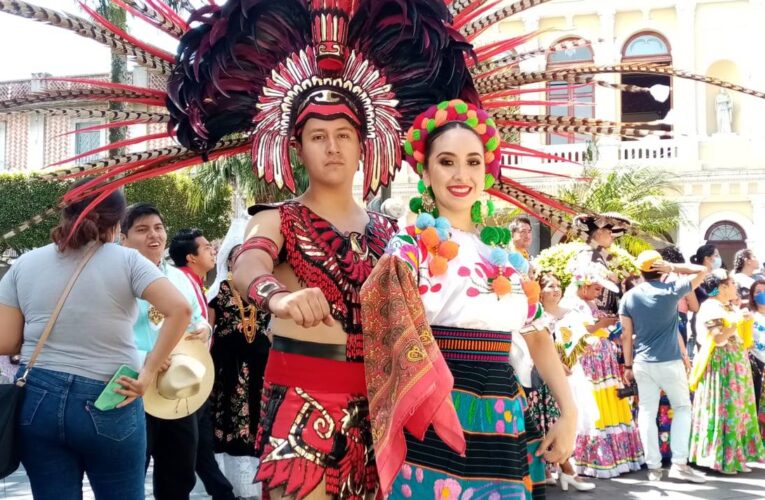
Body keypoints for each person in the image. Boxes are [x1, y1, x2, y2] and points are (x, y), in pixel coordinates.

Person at [362, 100, 577, 499]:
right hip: (434, 410)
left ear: (487, 171)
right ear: (425, 172)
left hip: (501, 412)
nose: (462, 175)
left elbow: (536, 337)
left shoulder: (508, 262)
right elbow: (384, 332)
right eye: (447, 162)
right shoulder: (409, 250)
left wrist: (569, 413)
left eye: (473, 162)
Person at [0, 187, 190, 499]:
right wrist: (147, 374)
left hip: (39, 399)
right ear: (117, 224)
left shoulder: (25, 264)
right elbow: (180, 310)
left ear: (66, 215)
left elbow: (5, 340)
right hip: (110, 396)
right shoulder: (129, 261)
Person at [120, 203, 213, 499]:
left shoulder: (178, 277)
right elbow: (103, 332)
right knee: (129, 473)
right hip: (134, 386)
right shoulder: (115, 276)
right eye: (142, 229)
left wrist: (205, 330)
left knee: (180, 471)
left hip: (177, 387)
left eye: (158, 228)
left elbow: (198, 317)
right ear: (123, 238)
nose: (153, 235)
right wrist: (143, 357)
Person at [620, 250, 708, 483]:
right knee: (682, 407)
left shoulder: (629, 297)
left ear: (640, 271)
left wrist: (627, 365)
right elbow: (702, 270)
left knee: (647, 412)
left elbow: (626, 335)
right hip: (669, 362)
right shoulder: (672, 290)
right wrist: (673, 267)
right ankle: (679, 463)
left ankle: (654, 467)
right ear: (659, 268)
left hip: (641, 363)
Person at [560, 262, 644, 478]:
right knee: (594, 404)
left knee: (606, 401)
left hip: (601, 361)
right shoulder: (570, 303)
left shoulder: (587, 303)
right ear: (584, 285)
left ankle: (616, 456)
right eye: (596, 288)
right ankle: (594, 457)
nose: (599, 293)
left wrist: (606, 328)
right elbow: (574, 332)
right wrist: (601, 325)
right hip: (590, 361)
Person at [169, 229, 236, 500]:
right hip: (180, 375)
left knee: (198, 445)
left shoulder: (196, 282)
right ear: (191, 257)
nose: (213, 251)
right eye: (207, 247)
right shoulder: (178, 281)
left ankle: (223, 492)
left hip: (195, 374)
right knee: (189, 447)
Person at [208, 243, 271, 500]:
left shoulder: (264, 291)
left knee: (259, 415)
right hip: (228, 365)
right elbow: (209, 329)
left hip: (261, 363)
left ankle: (259, 480)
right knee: (231, 419)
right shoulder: (220, 291)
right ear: (230, 264)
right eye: (237, 259)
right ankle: (232, 482)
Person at [688, 269, 764, 474]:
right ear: (721, 288)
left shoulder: (727, 306)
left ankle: (738, 455)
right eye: (732, 284)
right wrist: (738, 321)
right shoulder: (710, 308)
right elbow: (718, 338)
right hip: (721, 363)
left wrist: (741, 320)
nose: (735, 288)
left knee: (739, 409)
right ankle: (722, 458)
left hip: (736, 361)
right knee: (724, 407)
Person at [536, 272, 595, 492]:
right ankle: (561, 470)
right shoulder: (535, 313)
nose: (555, 290)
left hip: (560, 372)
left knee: (557, 420)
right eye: (550, 286)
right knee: (543, 422)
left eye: (558, 286)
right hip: (540, 374)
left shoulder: (569, 313)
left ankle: (565, 469)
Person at [571, 213, 632, 315]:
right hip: (587, 311)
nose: (612, 237)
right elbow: (581, 283)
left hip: (599, 312)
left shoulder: (598, 254)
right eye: (609, 233)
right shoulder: (587, 253)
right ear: (599, 232)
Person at [748, 279, 765, 441]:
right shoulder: (749, 316)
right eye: (757, 292)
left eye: (763, 290)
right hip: (756, 363)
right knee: (757, 400)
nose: (761, 295)